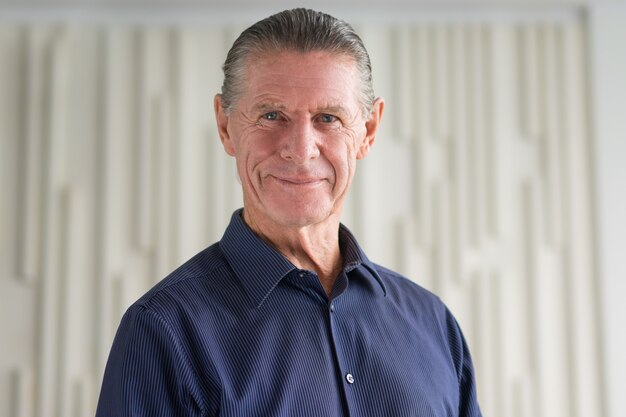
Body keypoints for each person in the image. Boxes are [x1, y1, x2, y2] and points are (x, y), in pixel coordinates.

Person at [95, 8, 482, 417]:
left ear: (367, 131)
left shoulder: (434, 324)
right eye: (271, 115)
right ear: (225, 126)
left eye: (328, 118)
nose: (300, 149)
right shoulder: (164, 331)